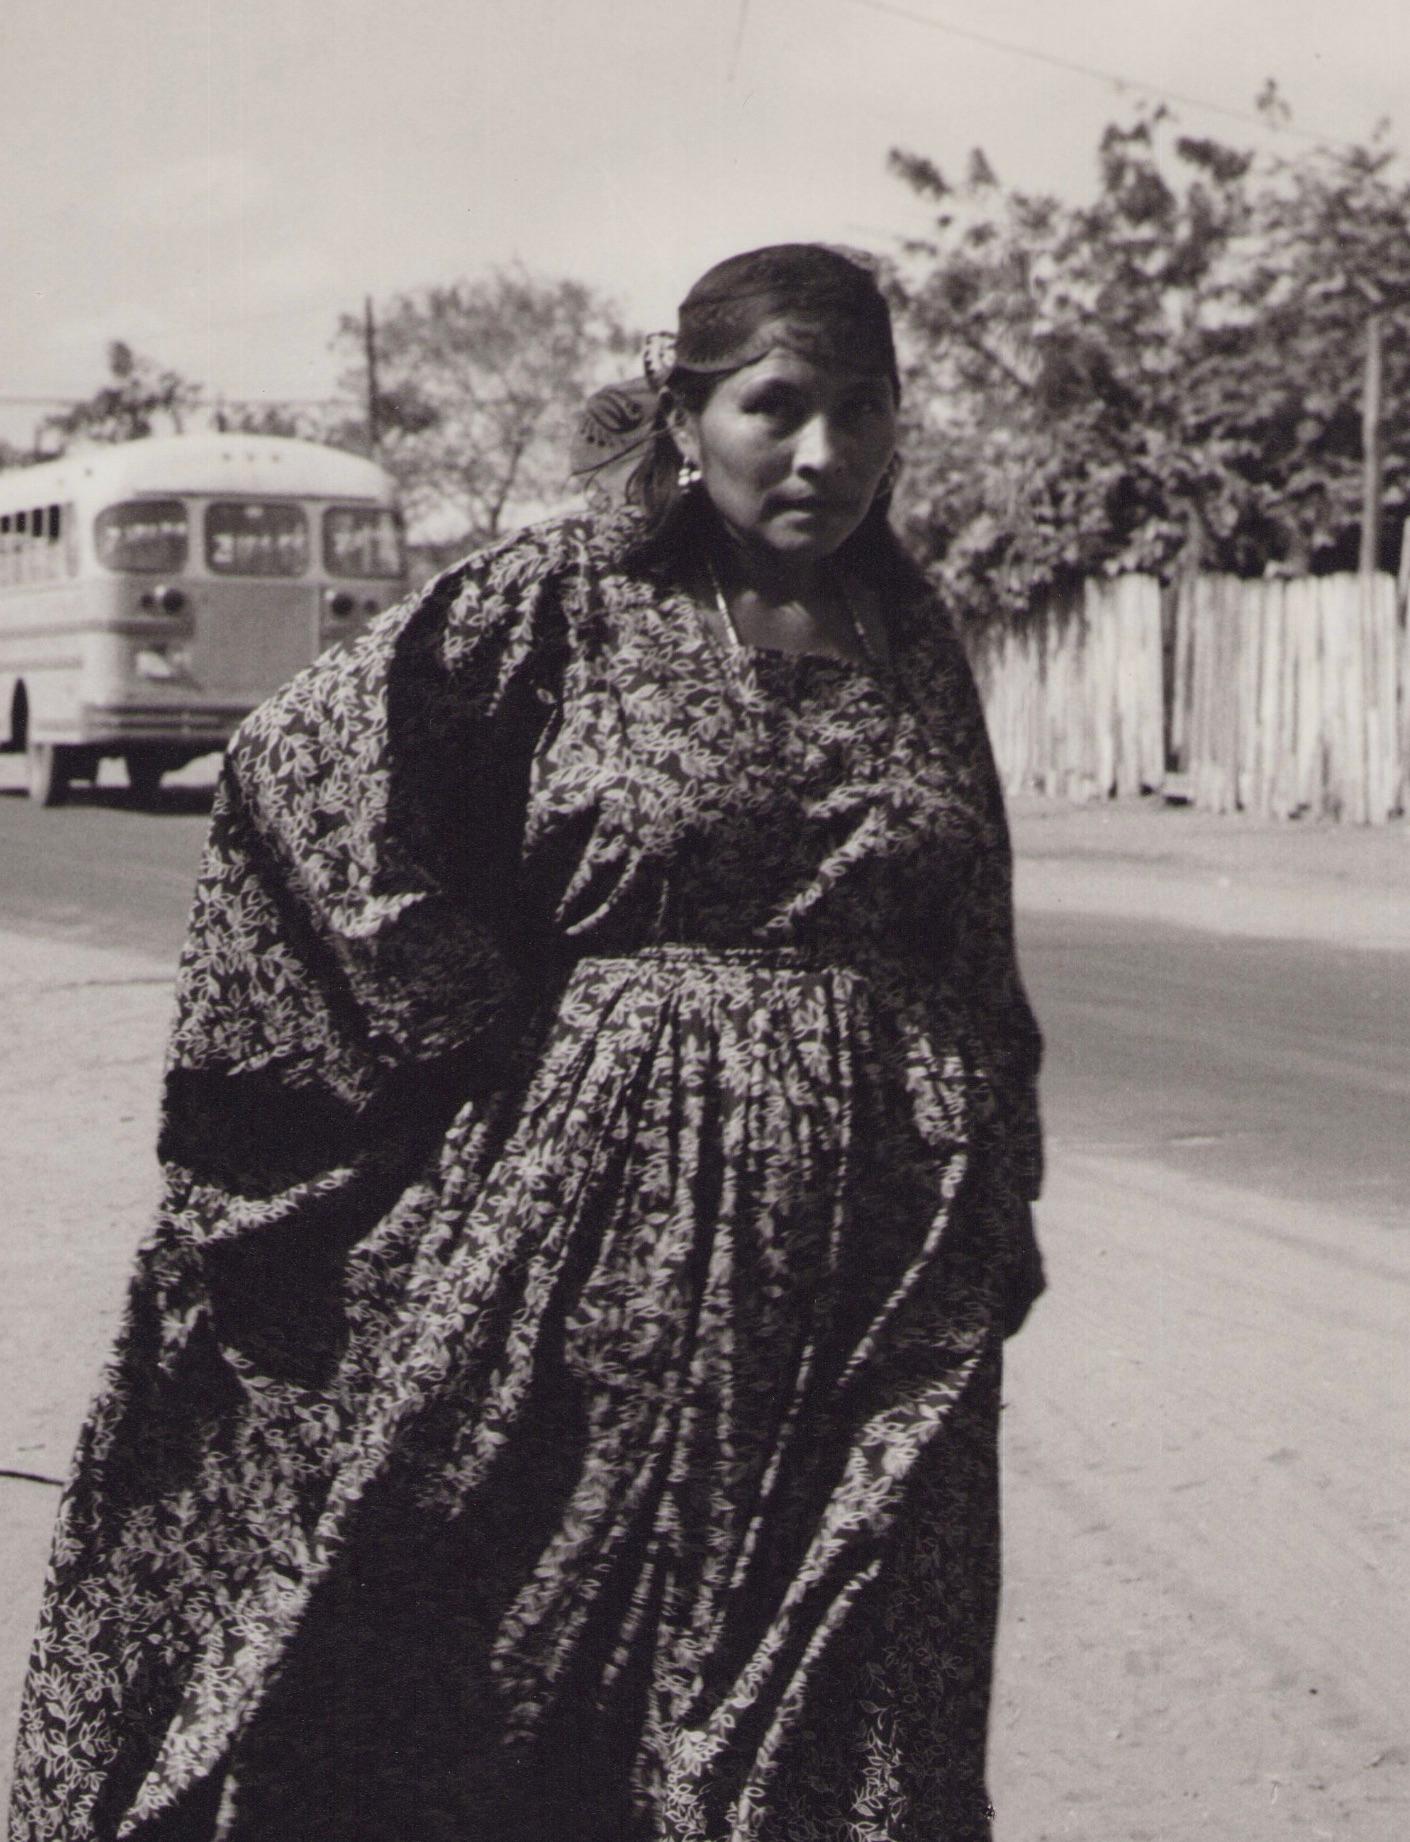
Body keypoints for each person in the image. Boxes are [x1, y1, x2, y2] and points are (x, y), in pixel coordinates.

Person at [9, 243, 1044, 1842]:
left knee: (844, 1690)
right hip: (593, 1271)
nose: (824, 451)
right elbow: (304, 779)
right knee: (524, 1664)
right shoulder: (554, 603)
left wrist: (984, 1173)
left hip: (869, 1289)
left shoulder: (912, 644)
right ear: (686, 417)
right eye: (778, 406)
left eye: (863, 410)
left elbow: (972, 944)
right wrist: (492, 1041)